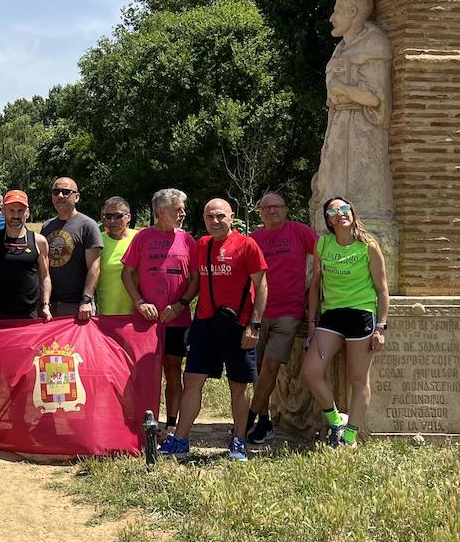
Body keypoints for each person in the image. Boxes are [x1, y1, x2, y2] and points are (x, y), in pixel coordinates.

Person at [159, 198, 267, 462]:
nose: (215, 221)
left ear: (232, 217)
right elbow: (196, 280)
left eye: (220, 216)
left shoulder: (247, 245)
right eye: (210, 217)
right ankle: (181, 439)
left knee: (238, 386)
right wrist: (181, 303)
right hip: (205, 324)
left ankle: (238, 441)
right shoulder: (202, 245)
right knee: (193, 381)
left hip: (239, 326)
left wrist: (254, 324)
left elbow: (261, 287)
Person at [301, 197, 389, 448]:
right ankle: (335, 419)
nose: (340, 213)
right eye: (333, 211)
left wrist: (381, 327)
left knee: (358, 379)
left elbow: (382, 289)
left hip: (361, 314)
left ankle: (349, 437)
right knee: (311, 371)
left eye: (344, 209)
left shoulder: (368, 245)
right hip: (331, 315)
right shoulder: (324, 244)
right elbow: (316, 284)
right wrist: (311, 320)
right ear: (328, 219)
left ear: (352, 212)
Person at [122, 188, 197, 434]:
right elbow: (127, 274)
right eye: (178, 209)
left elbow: (196, 278)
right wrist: (140, 302)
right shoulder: (142, 238)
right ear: (160, 211)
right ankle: (142, 422)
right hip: (147, 322)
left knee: (173, 369)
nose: (183, 213)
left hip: (177, 319)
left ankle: (171, 425)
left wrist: (181, 304)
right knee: (145, 372)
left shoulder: (187, 240)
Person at [246, 192, 319, 444]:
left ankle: (248, 418)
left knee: (271, 366)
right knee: (255, 370)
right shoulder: (253, 239)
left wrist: (315, 292)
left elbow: (322, 254)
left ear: (286, 210)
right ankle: (264, 421)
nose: (272, 211)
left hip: (288, 313)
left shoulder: (300, 232)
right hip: (258, 312)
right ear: (260, 213)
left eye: (277, 207)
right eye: (266, 208)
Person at [0, 190, 52, 321]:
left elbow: (45, 276)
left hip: (28, 315)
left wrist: (45, 305)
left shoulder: (39, 241)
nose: (16, 216)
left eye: (20, 211)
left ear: (27, 213)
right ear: (4, 212)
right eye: (11, 210)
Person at [41, 177, 101, 321]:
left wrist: (86, 300)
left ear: (77, 197)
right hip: (50, 304)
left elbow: (94, 266)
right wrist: (44, 302)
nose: (60, 196)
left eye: (66, 192)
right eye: (56, 192)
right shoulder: (47, 226)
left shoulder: (88, 225)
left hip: (77, 305)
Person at [95, 197, 138, 316]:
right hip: (106, 314)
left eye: (118, 216)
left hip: (138, 313)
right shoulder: (97, 241)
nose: (112, 221)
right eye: (108, 216)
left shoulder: (139, 238)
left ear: (128, 217)